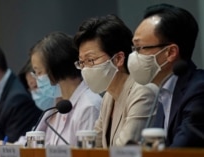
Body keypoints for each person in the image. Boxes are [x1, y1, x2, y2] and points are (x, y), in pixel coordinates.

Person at [128, 3, 204, 147]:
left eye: (139, 48)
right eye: (134, 48)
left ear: (170, 52)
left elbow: (178, 154)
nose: (133, 55)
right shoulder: (163, 91)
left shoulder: (198, 90)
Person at [74, 14, 156, 147]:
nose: (85, 69)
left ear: (118, 59)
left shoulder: (142, 92)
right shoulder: (108, 97)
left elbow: (124, 152)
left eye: (91, 60)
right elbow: (93, 147)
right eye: (82, 62)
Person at [31, 31, 102, 146]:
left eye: (39, 72)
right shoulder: (60, 106)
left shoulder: (89, 106)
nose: (37, 79)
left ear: (56, 68)